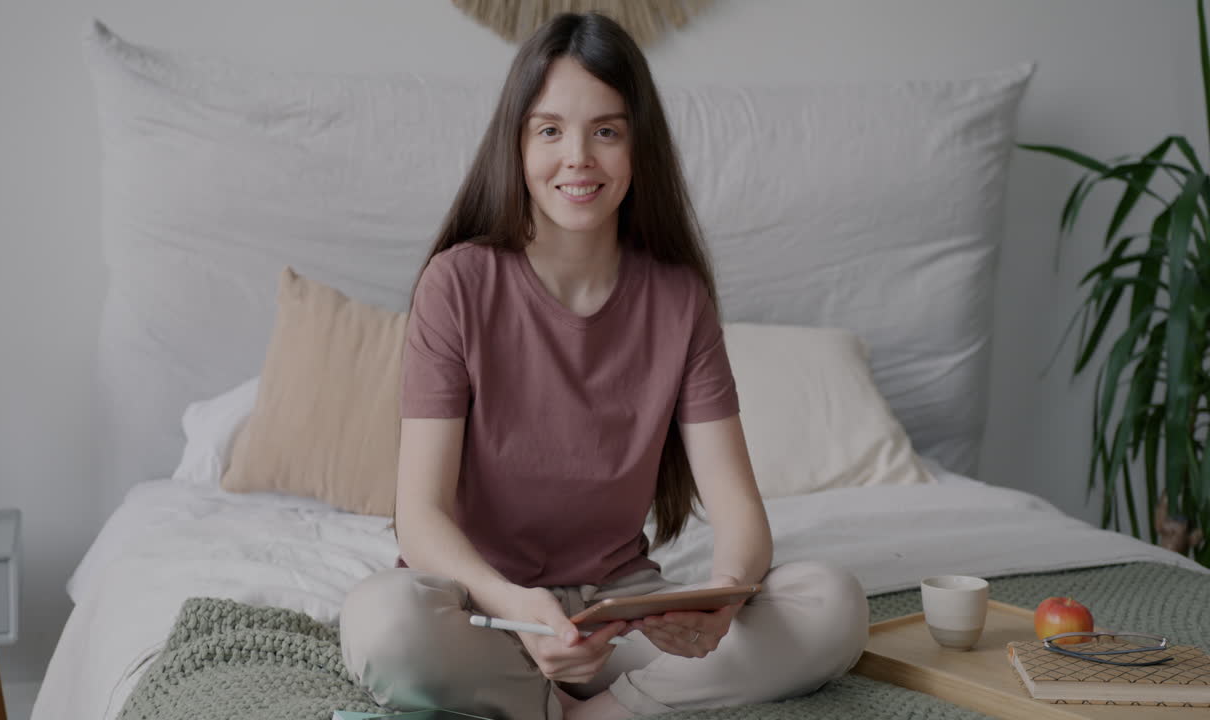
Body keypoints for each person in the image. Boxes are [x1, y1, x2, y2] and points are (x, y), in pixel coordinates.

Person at [340, 12, 868, 720]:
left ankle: (601, 712)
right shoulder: (457, 284)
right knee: (385, 624)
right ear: (517, 143)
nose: (578, 157)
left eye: (607, 131)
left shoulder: (678, 298)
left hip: (623, 619)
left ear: (638, 147)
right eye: (550, 130)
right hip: (487, 617)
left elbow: (740, 511)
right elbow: (421, 519)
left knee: (831, 605)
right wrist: (520, 609)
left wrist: (723, 597)